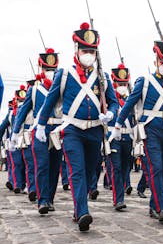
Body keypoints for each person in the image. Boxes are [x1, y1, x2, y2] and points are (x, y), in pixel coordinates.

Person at [35, 22, 118, 231]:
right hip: (72, 130)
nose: (88, 54)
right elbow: (49, 101)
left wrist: (111, 113)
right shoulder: (64, 74)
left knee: (90, 171)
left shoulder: (103, 77)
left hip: (95, 131)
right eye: (85, 50)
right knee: (77, 171)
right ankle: (82, 212)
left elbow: (114, 101)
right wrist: (40, 125)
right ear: (77, 51)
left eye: (92, 51)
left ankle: (78, 208)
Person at [110, 32, 163, 222]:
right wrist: (118, 124)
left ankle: (154, 205)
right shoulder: (144, 81)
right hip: (151, 130)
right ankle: (162, 208)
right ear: (156, 60)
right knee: (157, 168)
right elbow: (129, 104)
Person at [13, 48, 63, 210]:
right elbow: (22, 113)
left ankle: (50, 199)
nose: (50, 73)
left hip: (57, 130)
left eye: (53, 70)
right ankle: (42, 200)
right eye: (47, 70)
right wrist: (15, 132)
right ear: (41, 70)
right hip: (39, 131)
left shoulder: (61, 88)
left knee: (55, 167)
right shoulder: (34, 90)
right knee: (41, 165)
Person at [105, 63, 134, 211]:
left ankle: (121, 192)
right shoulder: (110, 100)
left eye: (124, 83)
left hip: (127, 138)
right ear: (114, 82)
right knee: (116, 168)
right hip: (112, 137)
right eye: (119, 83)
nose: (122, 85)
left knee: (125, 168)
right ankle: (118, 199)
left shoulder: (131, 98)